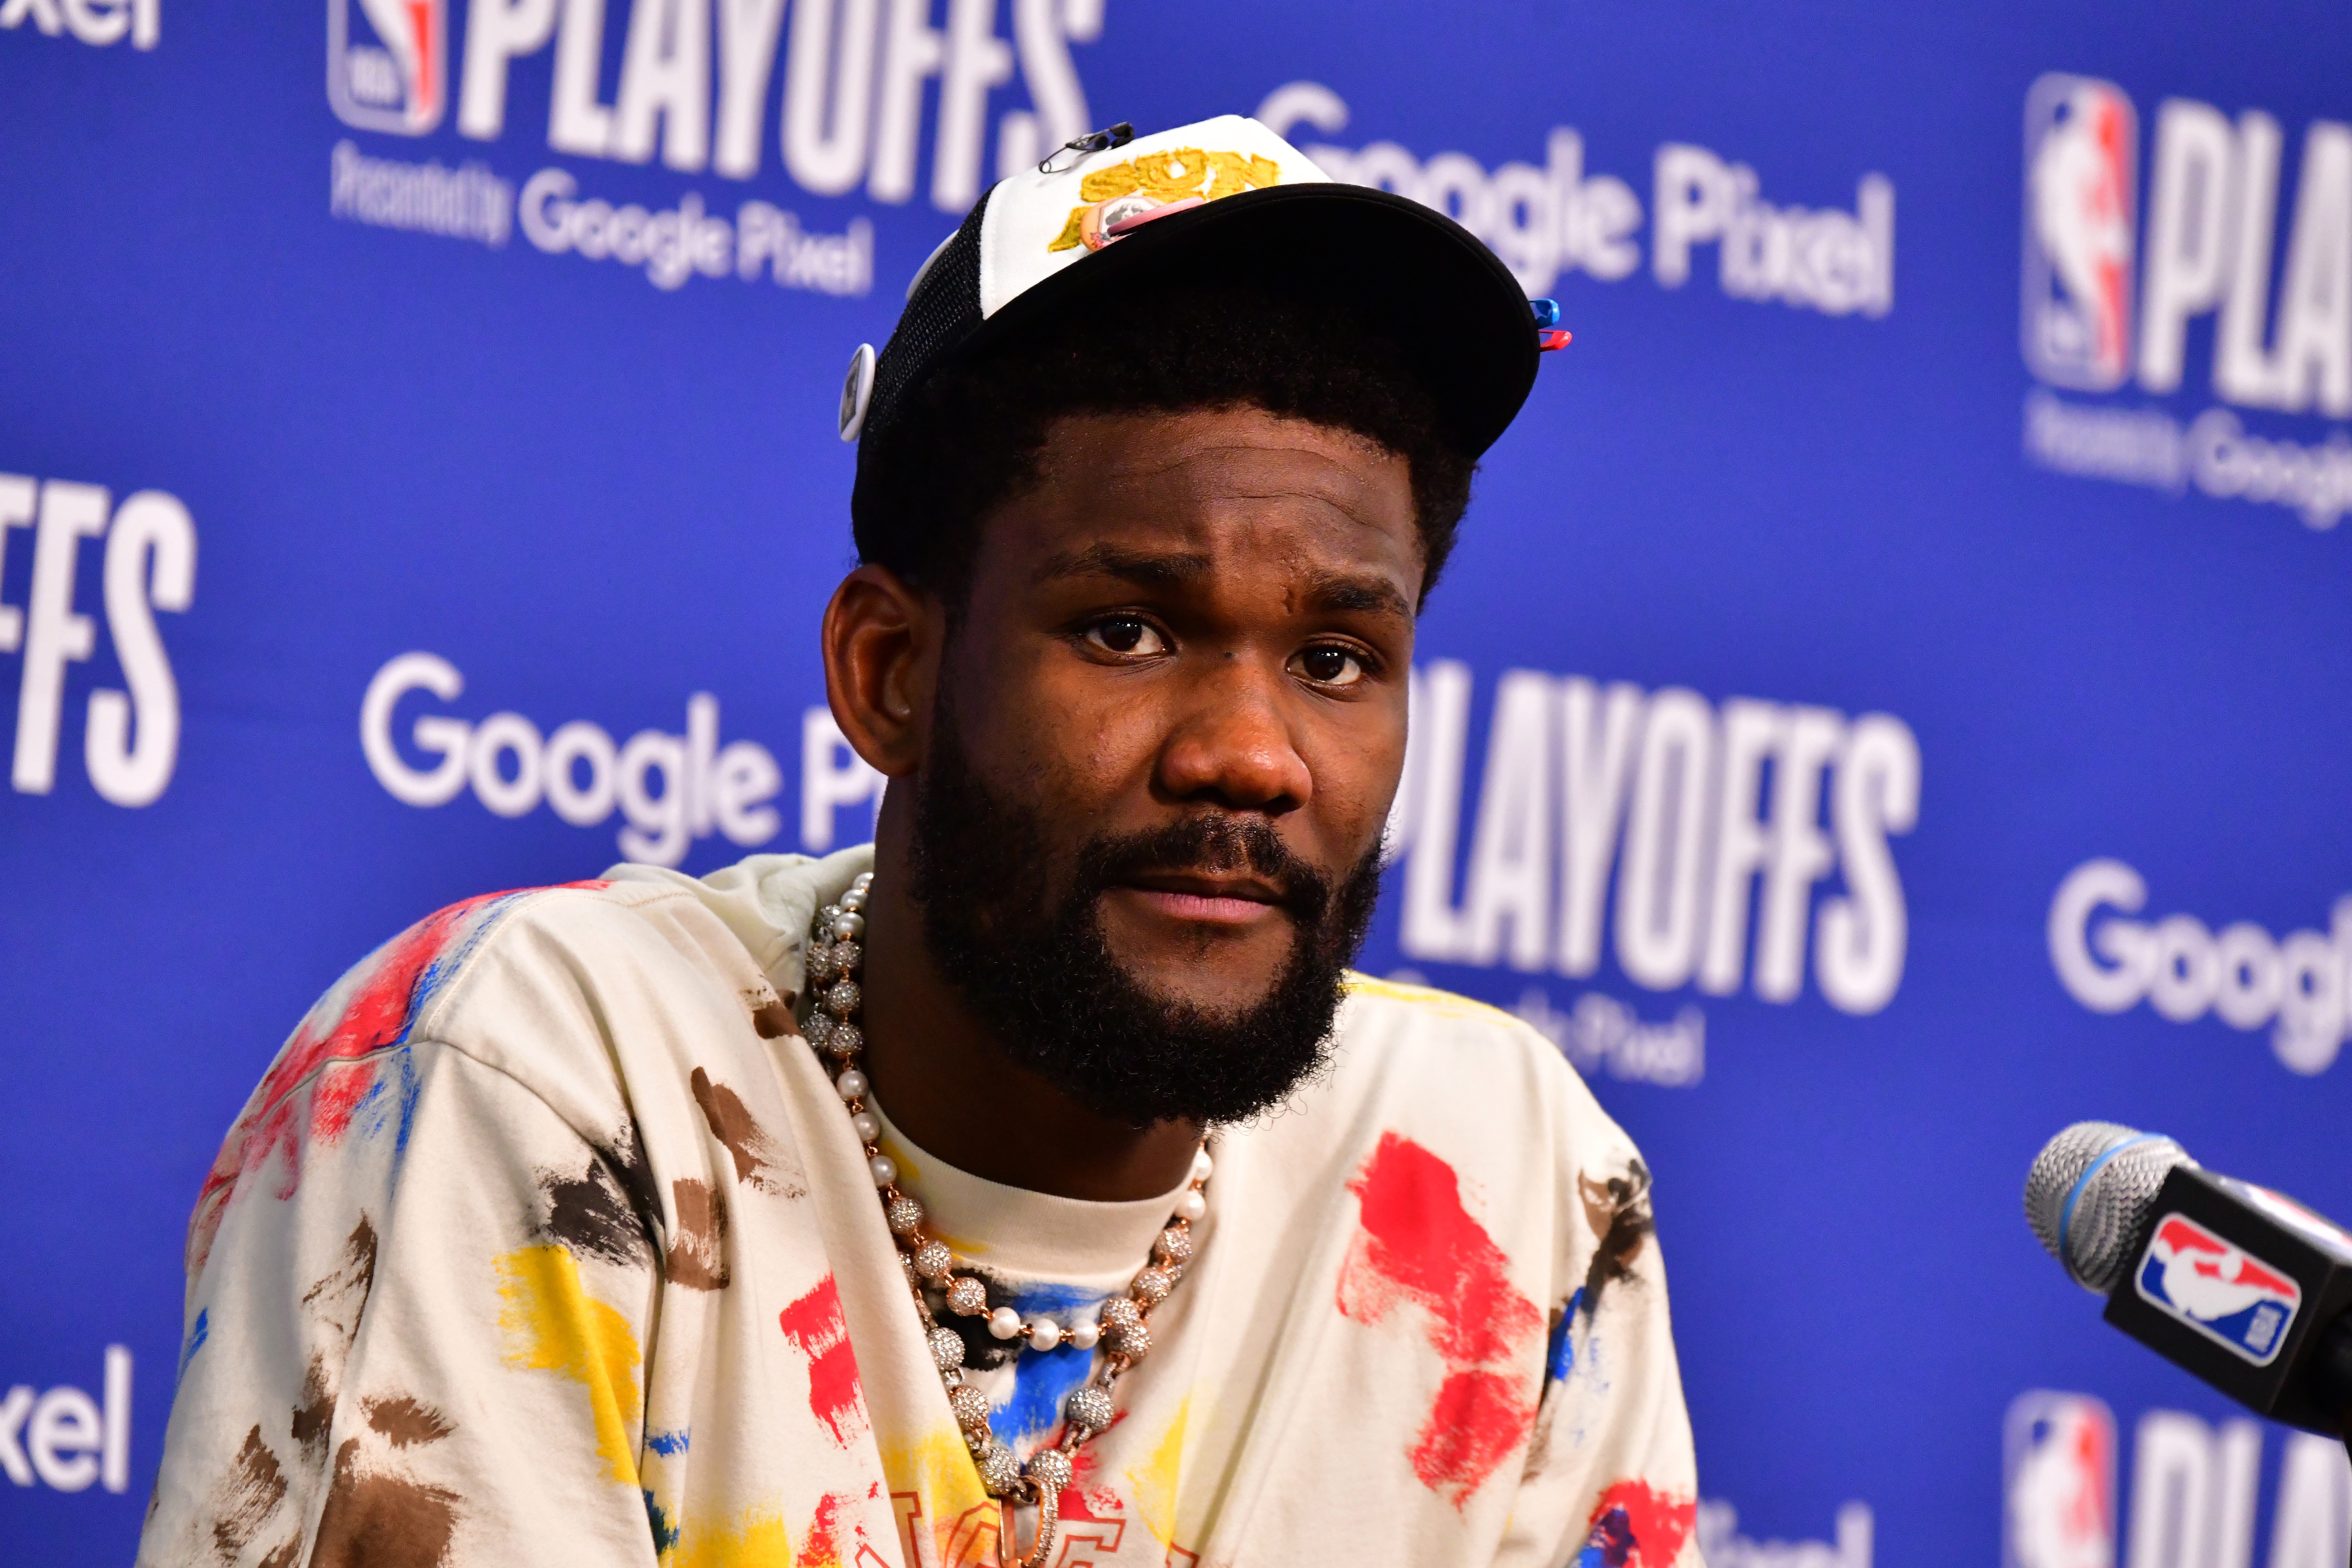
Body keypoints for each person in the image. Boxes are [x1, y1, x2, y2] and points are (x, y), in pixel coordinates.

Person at [139, 115, 1697, 1568]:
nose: (1250, 753)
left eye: (1338, 659)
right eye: (1129, 629)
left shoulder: (1505, 1188)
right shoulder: (547, 1078)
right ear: (889, 674)